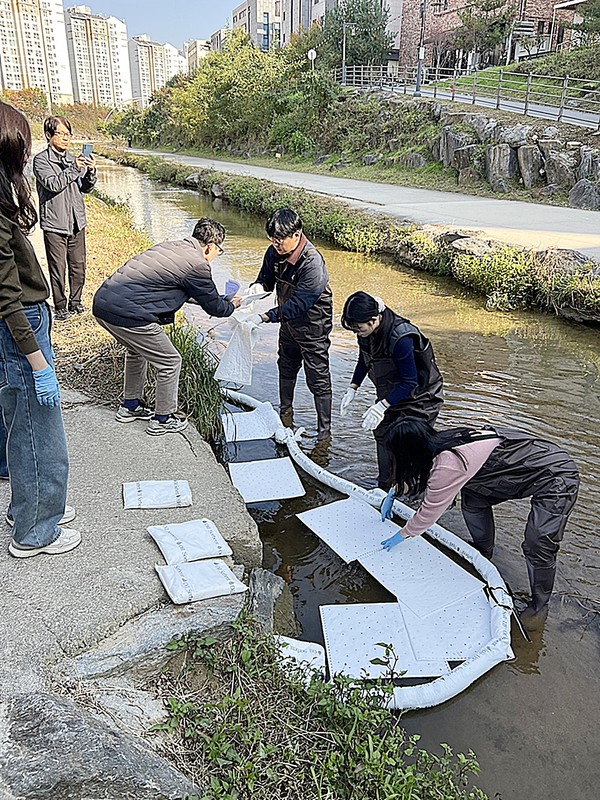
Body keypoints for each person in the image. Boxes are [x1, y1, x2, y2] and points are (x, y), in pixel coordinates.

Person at [381, 417, 579, 628]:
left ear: (408, 452)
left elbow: (428, 514)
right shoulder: (439, 444)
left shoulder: (448, 464)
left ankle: (540, 605)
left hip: (556, 475)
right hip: (515, 466)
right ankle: (483, 550)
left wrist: (402, 534)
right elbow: (416, 474)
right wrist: (393, 493)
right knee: (473, 497)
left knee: (538, 542)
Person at [0, 101, 80, 558]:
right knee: (39, 431)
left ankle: (30, 507)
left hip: (24, 323)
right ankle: (35, 531)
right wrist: (37, 361)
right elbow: (7, 297)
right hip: (21, 329)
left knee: (21, 424)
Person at [93, 218, 241, 435]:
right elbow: (216, 309)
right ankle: (163, 418)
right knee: (170, 361)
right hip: (129, 314)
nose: (216, 255)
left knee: (136, 351)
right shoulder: (198, 264)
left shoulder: (169, 247)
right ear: (210, 246)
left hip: (103, 306)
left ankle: (130, 406)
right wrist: (231, 305)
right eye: (219, 250)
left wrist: (217, 298)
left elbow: (182, 289)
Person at [340, 291, 444, 489]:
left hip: (421, 397)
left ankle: (420, 487)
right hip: (393, 393)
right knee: (382, 432)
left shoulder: (401, 337)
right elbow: (364, 358)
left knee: (408, 442)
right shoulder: (366, 332)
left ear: (373, 319)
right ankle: (386, 483)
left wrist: (382, 406)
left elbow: (410, 381)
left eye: (359, 328)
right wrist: (353, 387)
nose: (357, 332)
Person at [248, 208, 333, 441]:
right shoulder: (274, 252)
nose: (276, 243)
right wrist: (247, 296)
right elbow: (265, 281)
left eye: (280, 239)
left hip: (312, 325)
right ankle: (285, 413)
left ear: (297, 234)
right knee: (286, 365)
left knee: (317, 376)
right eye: (272, 239)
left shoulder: (312, 262)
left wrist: (265, 316)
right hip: (287, 323)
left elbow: (300, 304)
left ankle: (324, 433)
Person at [33, 115, 97, 320]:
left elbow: (85, 188)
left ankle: (76, 302)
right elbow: (53, 184)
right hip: (55, 223)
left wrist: (90, 172)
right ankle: (60, 306)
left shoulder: (73, 159)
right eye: (60, 134)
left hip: (77, 221)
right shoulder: (41, 161)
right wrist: (75, 168)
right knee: (57, 267)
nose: (65, 139)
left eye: (68, 134)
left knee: (78, 266)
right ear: (48, 135)